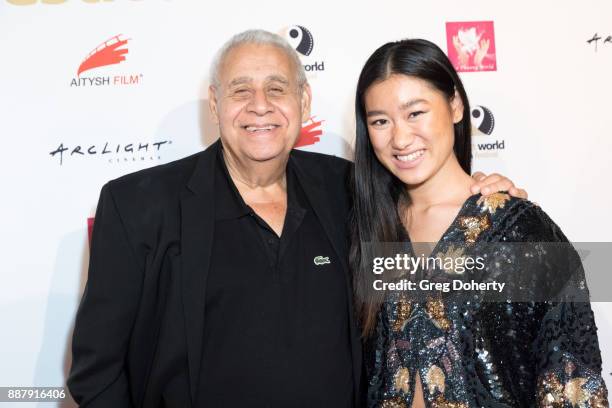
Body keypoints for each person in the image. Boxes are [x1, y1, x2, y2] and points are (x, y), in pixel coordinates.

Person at [67, 30, 525, 408]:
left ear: (304, 102)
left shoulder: (350, 191)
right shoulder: (138, 206)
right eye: (240, 90)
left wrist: (494, 210)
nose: (260, 105)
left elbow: (443, 251)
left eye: (277, 89)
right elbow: (97, 373)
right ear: (214, 104)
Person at [350, 38, 608, 408]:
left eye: (415, 113)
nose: (400, 138)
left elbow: (572, 379)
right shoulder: (366, 226)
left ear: (454, 105)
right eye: (380, 121)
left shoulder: (519, 230)